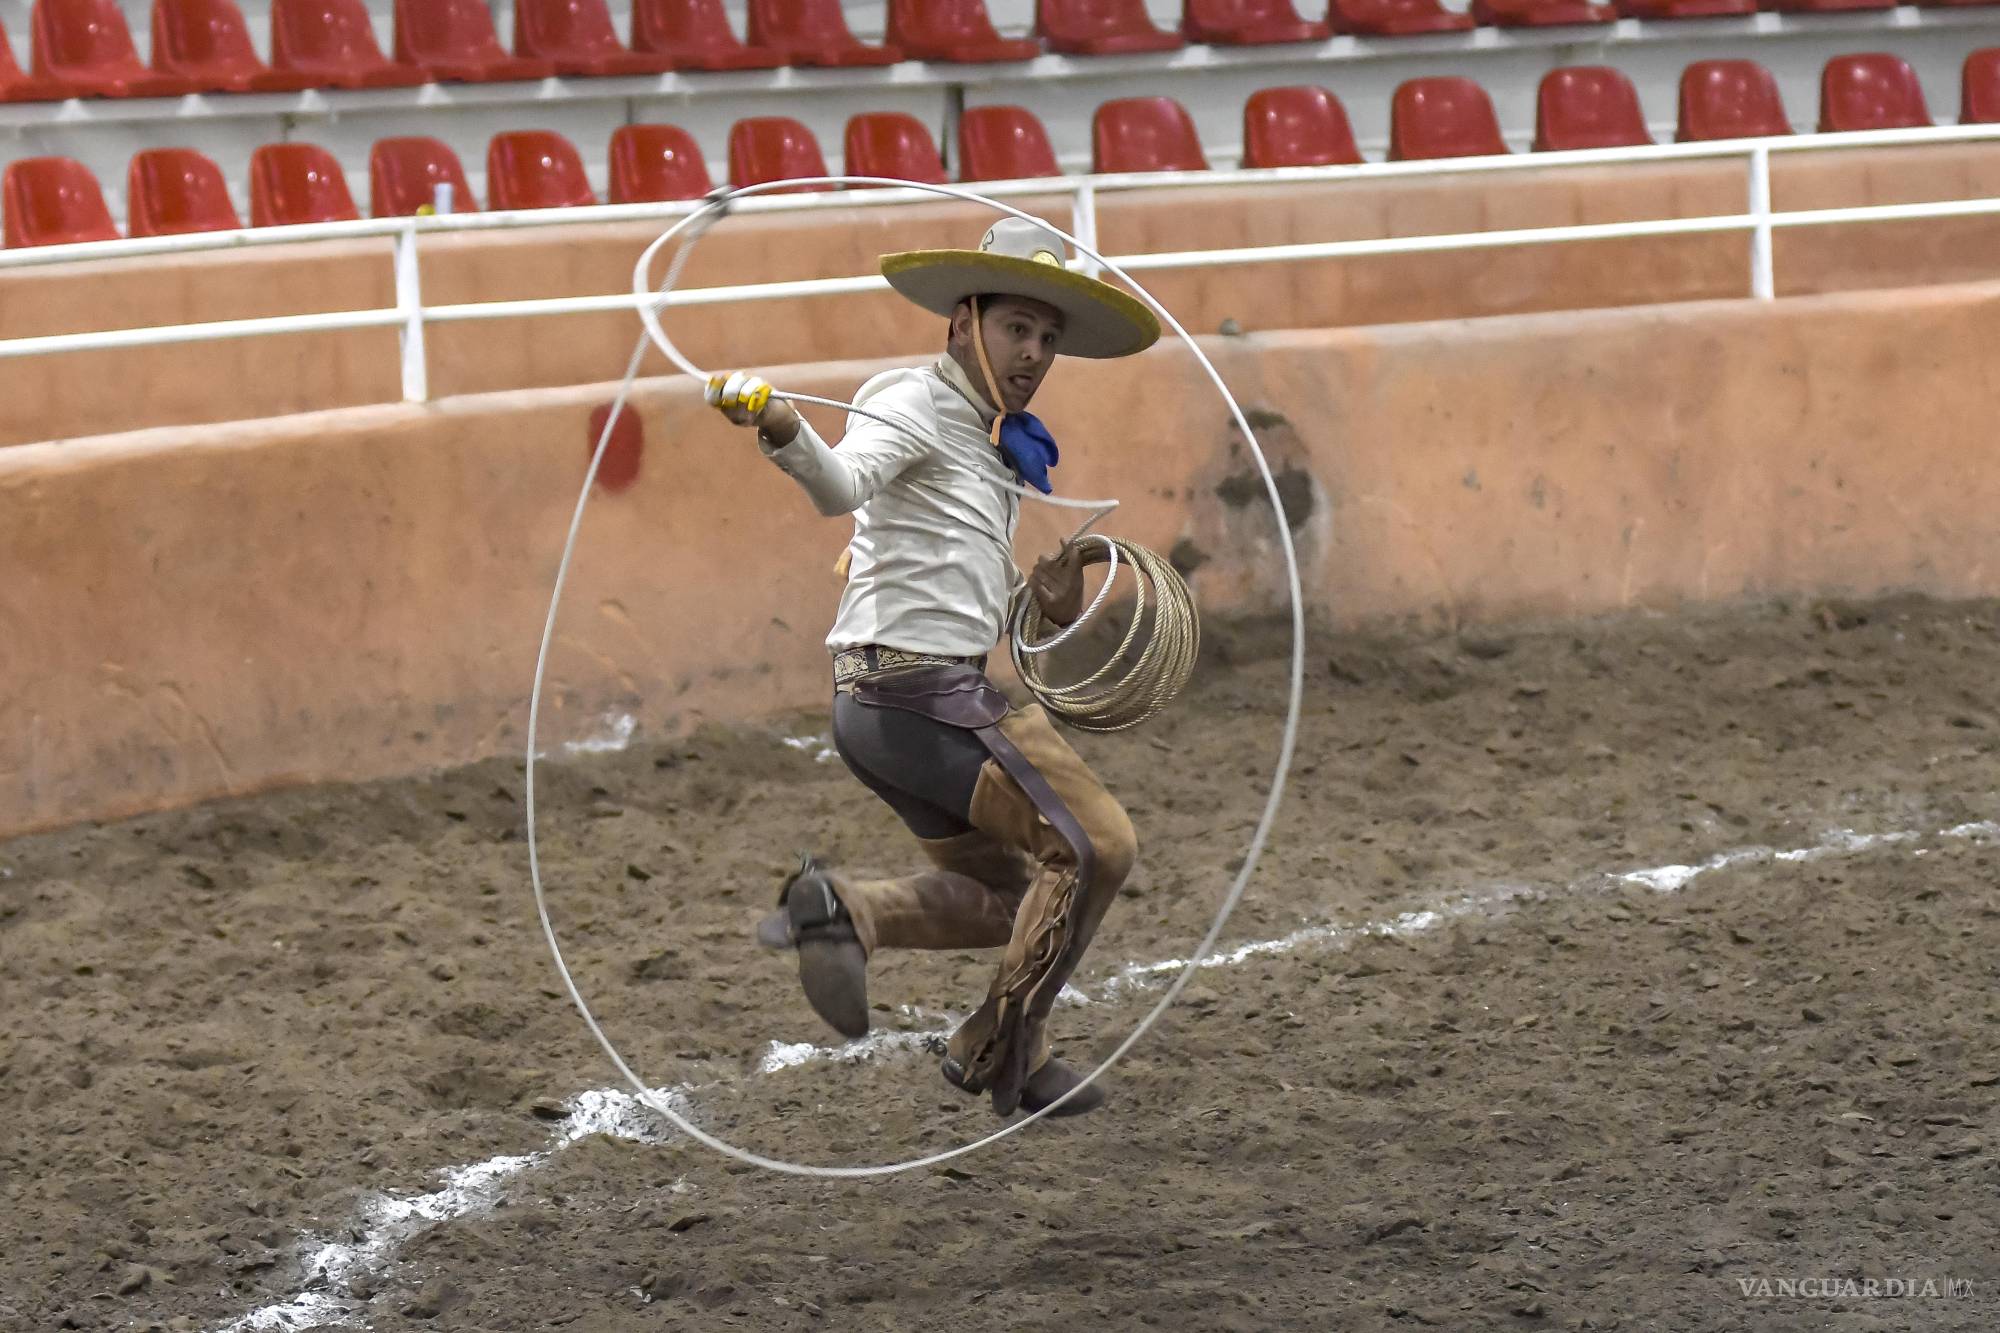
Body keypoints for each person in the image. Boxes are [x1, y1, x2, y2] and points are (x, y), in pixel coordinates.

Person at [705, 216, 1160, 1118]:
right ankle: (1005, 1049)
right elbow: (843, 488)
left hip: (883, 705)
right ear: (964, 323)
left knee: (1009, 899)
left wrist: (1043, 600)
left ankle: (848, 911)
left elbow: (951, 576)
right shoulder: (912, 403)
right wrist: (786, 427)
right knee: (1097, 843)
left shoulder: (990, 438)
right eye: (1015, 329)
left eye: (1047, 338)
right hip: (926, 693)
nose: (1032, 352)